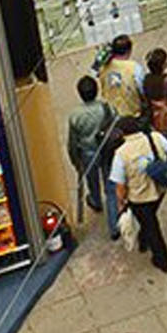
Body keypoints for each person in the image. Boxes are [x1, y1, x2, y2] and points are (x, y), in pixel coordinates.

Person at [110, 114, 167, 272]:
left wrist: (120, 203)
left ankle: (162, 260)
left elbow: (119, 185)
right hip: (159, 189)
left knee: (152, 225)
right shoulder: (154, 137)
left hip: (139, 197)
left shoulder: (121, 154)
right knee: (149, 218)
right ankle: (144, 239)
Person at [67, 76, 117, 223]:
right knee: (110, 187)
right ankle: (114, 224)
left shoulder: (75, 116)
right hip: (106, 150)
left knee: (92, 181)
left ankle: (95, 200)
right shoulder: (107, 108)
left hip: (88, 153)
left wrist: (75, 160)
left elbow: (72, 142)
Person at [97, 35, 145, 121]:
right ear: (129, 51)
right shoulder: (134, 68)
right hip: (132, 116)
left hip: (111, 117)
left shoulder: (103, 68)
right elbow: (143, 91)